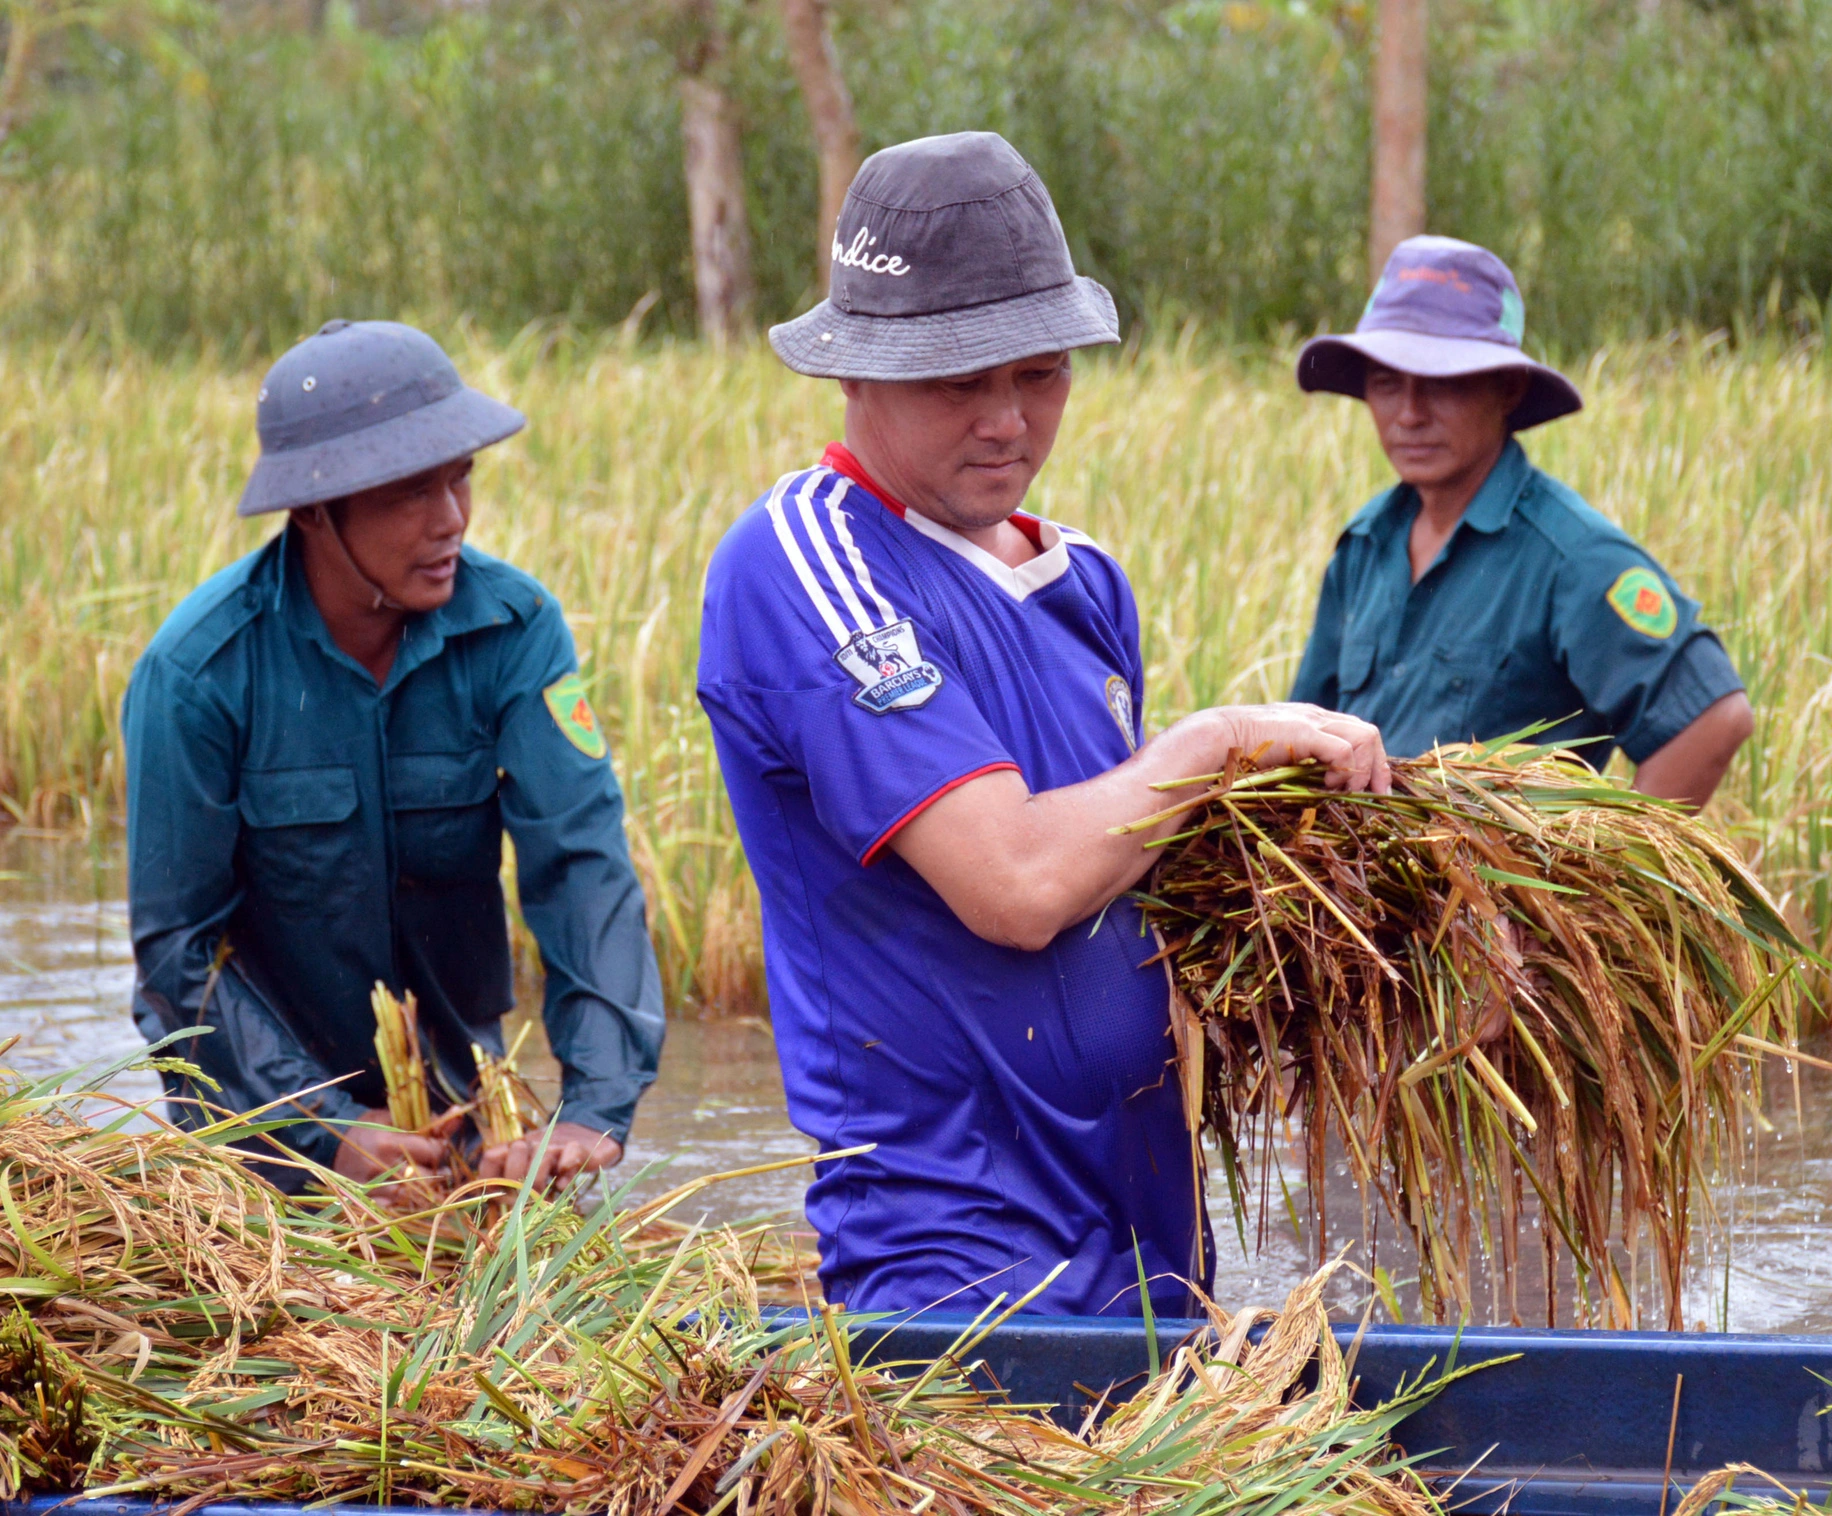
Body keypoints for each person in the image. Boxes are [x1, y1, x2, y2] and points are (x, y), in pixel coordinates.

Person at [697, 132, 1389, 1318]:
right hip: (952, 1251)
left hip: (1145, 1237)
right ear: (852, 373)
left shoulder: (1085, 582)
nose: (1006, 421)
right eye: (957, 383)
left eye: (1039, 374)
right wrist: (1218, 744)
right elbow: (1013, 882)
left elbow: (1119, 872)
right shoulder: (803, 563)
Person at [123, 320, 665, 1196]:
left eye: (460, 480)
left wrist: (593, 1107)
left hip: (461, 1119)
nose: (449, 520)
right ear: (312, 510)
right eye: (410, 493)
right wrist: (321, 1130)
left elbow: (584, 870)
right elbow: (179, 951)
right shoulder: (198, 675)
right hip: (260, 1135)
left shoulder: (514, 632)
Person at [1290, 236, 1753, 807]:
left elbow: (1714, 718)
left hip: (1491, 896)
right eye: (1387, 384)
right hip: (1356, 889)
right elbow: (1303, 731)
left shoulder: (1572, 557)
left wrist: (1595, 887)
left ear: (1505, 388)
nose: (1409, 414)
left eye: (1440, 382)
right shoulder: (1366, 544)